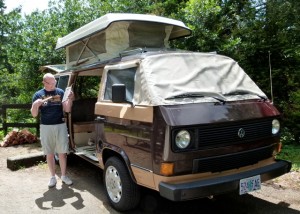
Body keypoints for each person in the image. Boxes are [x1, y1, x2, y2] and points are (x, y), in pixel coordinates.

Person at [31, 73, 74, 188]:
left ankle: (64, 176)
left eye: (54, 82)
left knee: (62, 152)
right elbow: (34, 115)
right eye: (50, 83)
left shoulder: (60, 92)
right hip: (46, 126)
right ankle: (52, 177)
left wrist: (69, 99)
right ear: (44, 83)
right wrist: (35, 105)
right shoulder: (38, 94)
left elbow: (67, 109)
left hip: (60, 125)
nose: (53, 85)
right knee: (49, 153)